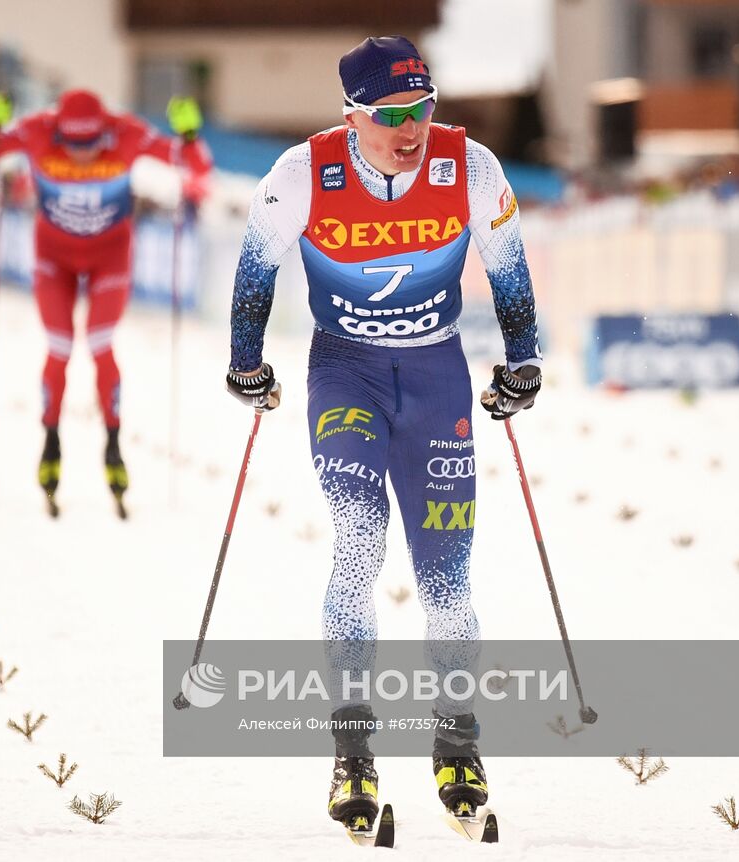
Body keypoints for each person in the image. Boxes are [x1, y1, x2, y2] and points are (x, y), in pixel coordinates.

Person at [223, 37, 543, 830]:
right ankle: (353, 752)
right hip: (347, 374)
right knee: (360, 540)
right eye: (391, 114)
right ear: (352, 115)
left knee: (447, 584)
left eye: (423, 109)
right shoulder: (302, 172)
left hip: (437, 379)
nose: (412, 129)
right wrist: (245, 362)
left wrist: (524, 361)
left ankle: (457, 740)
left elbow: (508, 265)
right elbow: (255, 265)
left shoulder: (471, 168)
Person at [0, 89, 213, 513]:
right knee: (58, 347)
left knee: (98, 343)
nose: (80, 156)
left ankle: (112, 445)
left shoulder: (125, 134)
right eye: (72, 146)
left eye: (90, 146)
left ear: (103, 132)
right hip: (54, 259)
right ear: (58, 130)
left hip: (109, 258)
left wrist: (189, 133)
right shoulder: (38, 131)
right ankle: (51, 441)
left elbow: (196, 166)